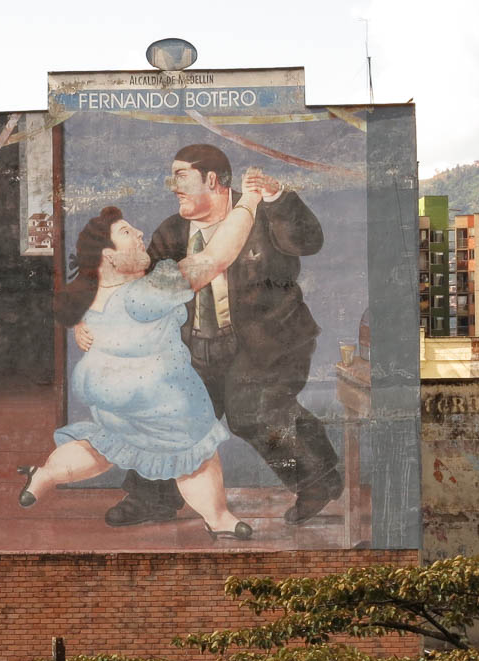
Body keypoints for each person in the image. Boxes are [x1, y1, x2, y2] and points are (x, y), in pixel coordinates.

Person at [104, 143, 342, 528]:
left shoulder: (265, 214)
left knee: (250, 409)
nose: (173, 186)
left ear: (211, 179)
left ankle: (318, 478)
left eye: (181, 175)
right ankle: (152, 498)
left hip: (268, 339)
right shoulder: (171, 232)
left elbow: (310, 242)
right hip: (197, 345)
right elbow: (149, 292)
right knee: (169, 410)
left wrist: (279, 196)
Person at [17, 173, 267, 540]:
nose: (139, 235)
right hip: (155, 396)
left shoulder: (92, 295)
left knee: (107, 444)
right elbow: (215, 257)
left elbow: (86, 318)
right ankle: (219, 517)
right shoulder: (145, 292)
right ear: (109, 256)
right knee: (195, 449)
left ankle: (46, 475)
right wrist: (250, 201)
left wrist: (78, 328)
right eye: (127, 233)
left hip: (105, 394)